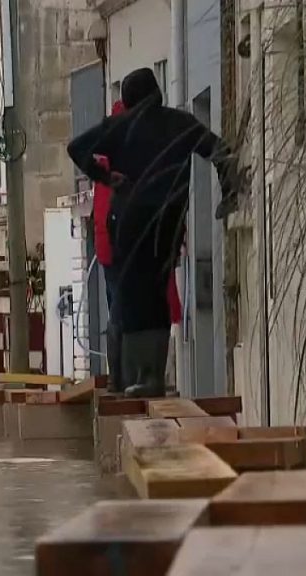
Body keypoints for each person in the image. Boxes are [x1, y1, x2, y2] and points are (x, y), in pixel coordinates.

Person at [68, 67, 240, 398]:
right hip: (169, 220)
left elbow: (77, 148)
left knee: (133, 296)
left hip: (132, 222)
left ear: (128, 100)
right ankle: (155, 377)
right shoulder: (181, 123)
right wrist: (228, 191)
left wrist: (105, 177)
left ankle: (140, 377)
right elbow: (221, 152)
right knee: (159, 290)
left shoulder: (121, 127)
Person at [92, 100, 184, 393]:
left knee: (121, 311)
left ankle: (122, 379)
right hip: (130, 249)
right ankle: (135, 378)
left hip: (118, 248)